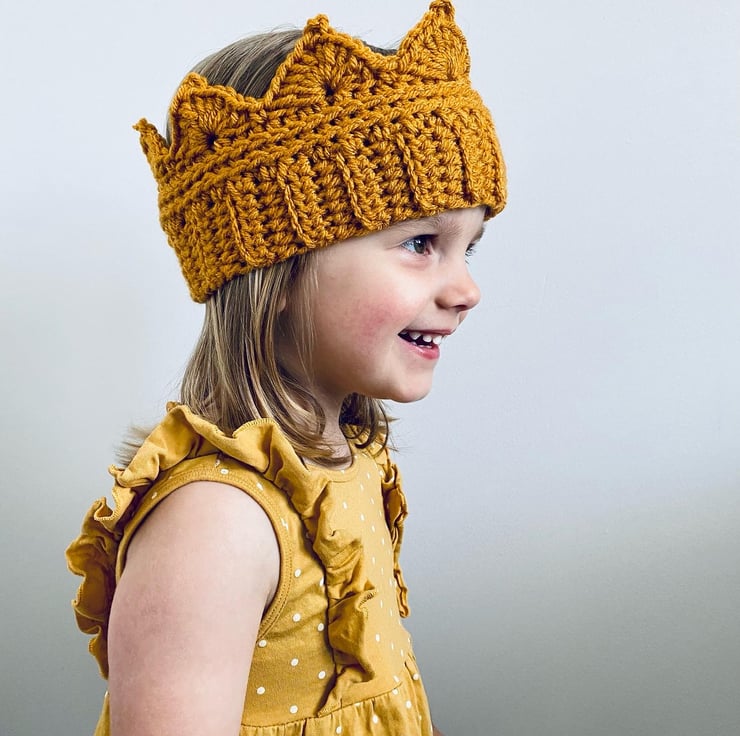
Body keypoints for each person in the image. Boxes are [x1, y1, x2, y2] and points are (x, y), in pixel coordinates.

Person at [66, 1, 506, 734]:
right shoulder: (215, 522)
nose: (466, 290)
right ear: (277, 273)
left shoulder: (342, 460)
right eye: (421, 243)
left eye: (470, 248)